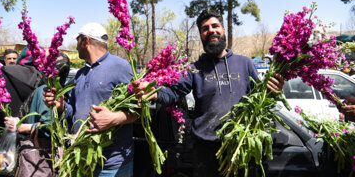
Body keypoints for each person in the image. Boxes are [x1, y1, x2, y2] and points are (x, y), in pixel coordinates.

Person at [132, 10, 284, 177]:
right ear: (201, 35)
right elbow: (174, 91)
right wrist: (155, 92)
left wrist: (273, 91)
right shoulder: (194, 69)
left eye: (215, 26)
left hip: (241, 146)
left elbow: (260, 99)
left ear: (223, 30)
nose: (211, 30)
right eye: (205, 28)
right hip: (206, 150)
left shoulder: (245, 63)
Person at [43, 23, 137, 177]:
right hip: (81, 161)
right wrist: (61, 106)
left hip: (111, 165)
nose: (76, 47)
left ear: (85, 41)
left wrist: (114, 118)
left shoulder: (121, 67)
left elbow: (139, 110)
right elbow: (72, 112)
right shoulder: (80, 73)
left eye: (77, 41)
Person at [4, 53, 71, 177]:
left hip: (39, 159)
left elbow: (48, 128)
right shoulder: (53, 90)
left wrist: (21, 127)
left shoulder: (46, 90)